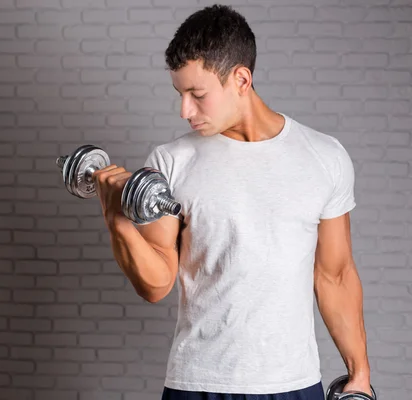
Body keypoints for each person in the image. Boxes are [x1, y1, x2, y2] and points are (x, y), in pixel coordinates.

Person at [91, 4, 373, 400]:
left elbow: (336, 275)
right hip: (199, 384)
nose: (184, 110)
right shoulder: (171, 162)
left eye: (197, 94)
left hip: (292, 383)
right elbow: (156, 284)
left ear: (241, 78)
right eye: (180, 93)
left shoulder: (324, 157)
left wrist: (359, 372)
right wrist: (115, 215)